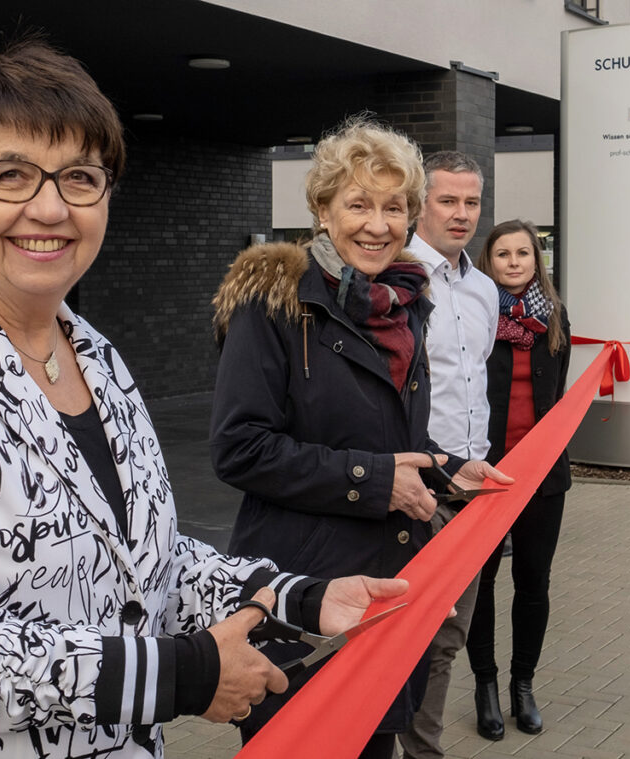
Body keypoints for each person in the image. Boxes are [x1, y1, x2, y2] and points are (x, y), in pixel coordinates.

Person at [0, 40, 412, 759]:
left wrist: (300, 597)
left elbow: (146, 565)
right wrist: (181, 673)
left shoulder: (95, 353)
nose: (49, 207)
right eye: (11, 175)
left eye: (79, 177)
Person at [209, 117, 512, 759]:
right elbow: (240, 448)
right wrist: (375, 482)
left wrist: (444, 468)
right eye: (358, 204)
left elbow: (391, 437)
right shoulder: (275, 305)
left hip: (387, 590)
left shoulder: (407, 306)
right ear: (323, 211)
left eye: (394, 207)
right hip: (302, 594)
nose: (378, 225)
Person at [400, 152, 499, 758]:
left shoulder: (485, 289)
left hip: (474, 493)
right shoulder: (397, 279)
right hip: (416, 487)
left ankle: (421, 750)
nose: (461, 214)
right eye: (448, 201)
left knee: (447, 638)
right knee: (406, 633)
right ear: (422, 205)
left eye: (472, 202)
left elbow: (474, 380)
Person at [465, 218, 571, 739]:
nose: (513, 262)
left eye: (523, 253)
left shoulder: (555, 317)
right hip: (485, 472)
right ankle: (484, 685)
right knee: (480, 583)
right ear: (489, 260)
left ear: (536, 260)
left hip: (543, 477)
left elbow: (559, 393)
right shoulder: (475, 315)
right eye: (502, 253)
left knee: (533, 582)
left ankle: (522, 685)